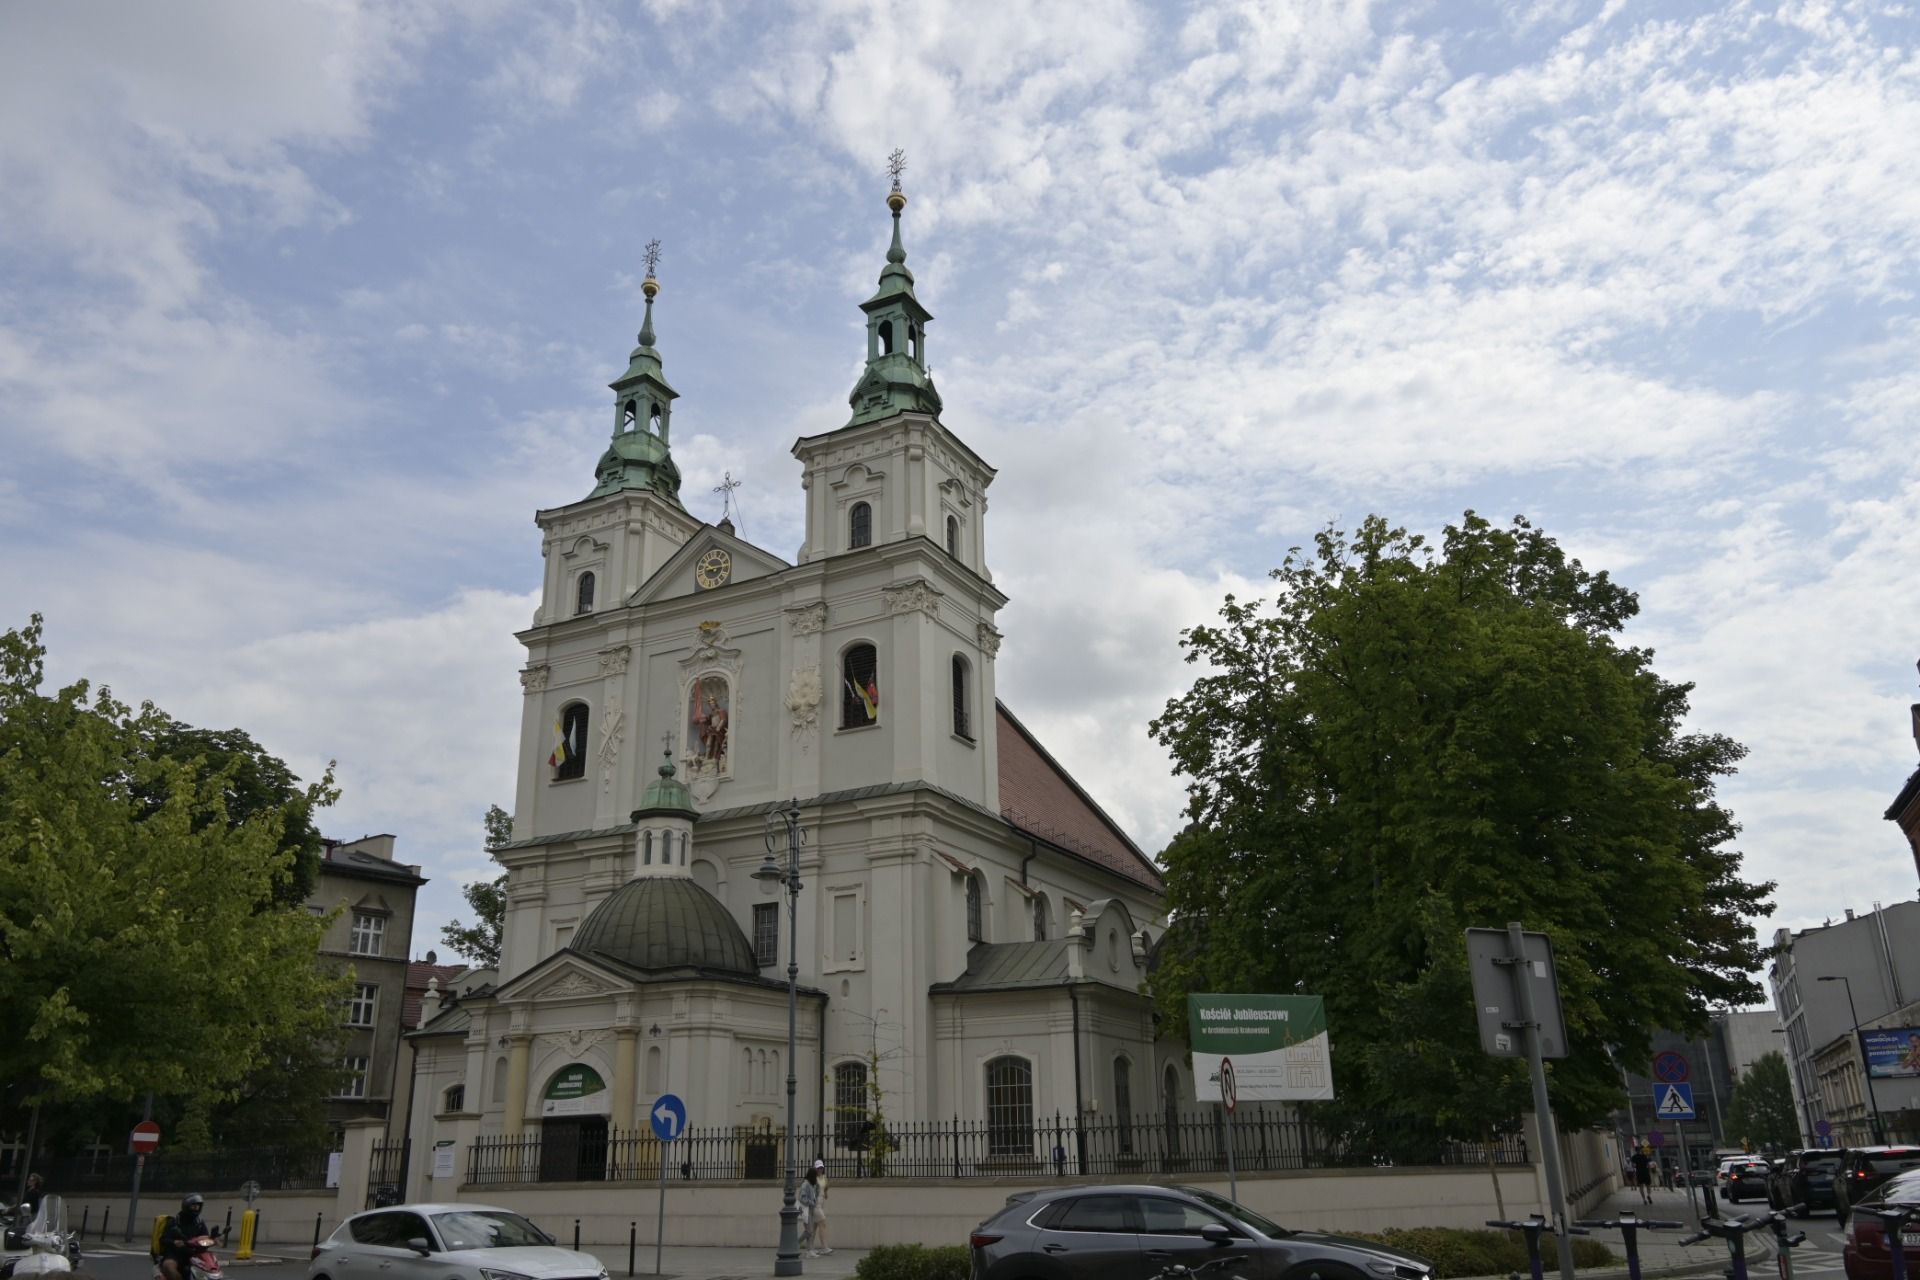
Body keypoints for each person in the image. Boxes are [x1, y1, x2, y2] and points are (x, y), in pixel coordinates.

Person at [159, 1194, 215, 1280]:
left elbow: (205, 1237)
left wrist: (211, 1240)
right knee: (168, 1266)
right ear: (186, 1206)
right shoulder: (174, 1221)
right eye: (193, 1206)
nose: (196, 1208)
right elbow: (163, 1239)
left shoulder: (199, 1222)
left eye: (198, 1206)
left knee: (212, 1266)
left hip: (194, 1253)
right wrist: (174, 1242)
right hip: (176, 1253)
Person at [799, 1160, 831, 1258]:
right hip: (812, 1206)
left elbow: (823, 1189)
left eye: (821, 1168)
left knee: (812, 1228)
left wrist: (824, 1194)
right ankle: (822, 1247)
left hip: (818, 1204)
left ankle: (810, 1248)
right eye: (818, 1168)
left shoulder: (821, 1179)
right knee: (819, 1223)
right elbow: (803, 1197)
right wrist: (812, 1201)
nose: (820, 1170)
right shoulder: (808, 1182)